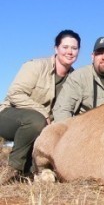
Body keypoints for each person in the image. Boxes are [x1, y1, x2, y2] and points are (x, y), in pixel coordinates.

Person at [0, 29, 81, 184]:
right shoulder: (36, 66)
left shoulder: (75, 79)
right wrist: (43, 113)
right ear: (56, 49)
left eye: (74, 48)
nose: (70, 52)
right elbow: (14, 94)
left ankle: (29, 172)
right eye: (65, 47)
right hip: (8, 116)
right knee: (37, 121)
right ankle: (11, 169)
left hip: (40, 129)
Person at [53, 33, 104, 122]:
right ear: (92, 56)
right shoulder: (78, 77)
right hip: (84, 131)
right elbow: (62, 111)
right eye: (99, 53)